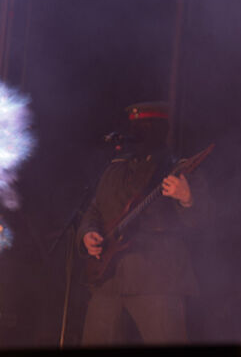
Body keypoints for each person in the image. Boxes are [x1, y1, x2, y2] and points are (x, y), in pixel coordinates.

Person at [77, 101, 204, 344]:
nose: (137, 134)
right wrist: (87, 234)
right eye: (135, 128)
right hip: (109, 279)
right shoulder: (115, 169)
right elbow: (94, 209)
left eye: (144, 127)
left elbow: (204, 219)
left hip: (157, 279)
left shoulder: (177, 168)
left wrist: (187, 198)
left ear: (159, 130)